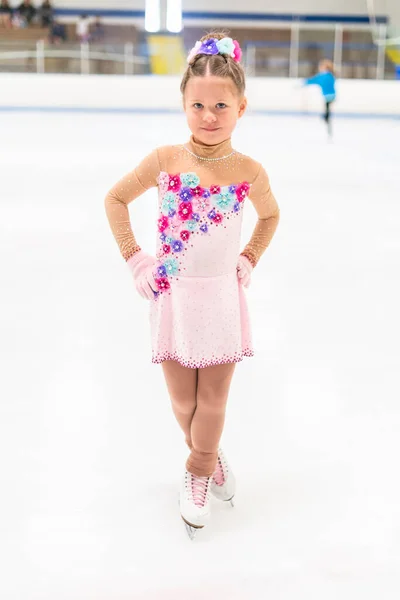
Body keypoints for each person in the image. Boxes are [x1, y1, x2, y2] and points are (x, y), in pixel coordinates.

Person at [104, 31, 280, 539]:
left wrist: (248, 257)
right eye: (198, 104)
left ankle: (199, 469)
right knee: (185, 403)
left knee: (215, 401)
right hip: (174, 297)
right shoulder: (164, 160)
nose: (209, 114)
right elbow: (115, 200)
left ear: (241, 107)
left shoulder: (248, 170)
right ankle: (207, 450)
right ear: (184, 103)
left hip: (222, 298)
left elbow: (270, 217)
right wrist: (136, 259)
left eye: (221, 104)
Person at [304, 59, 336, 136]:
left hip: (329, 95)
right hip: (329, 95)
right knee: (327, 109)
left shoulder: (325, 76)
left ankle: (327, 120)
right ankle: (327, 121)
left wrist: (305, 82)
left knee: (327, 110)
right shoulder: (329, 75)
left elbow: (315, 80)